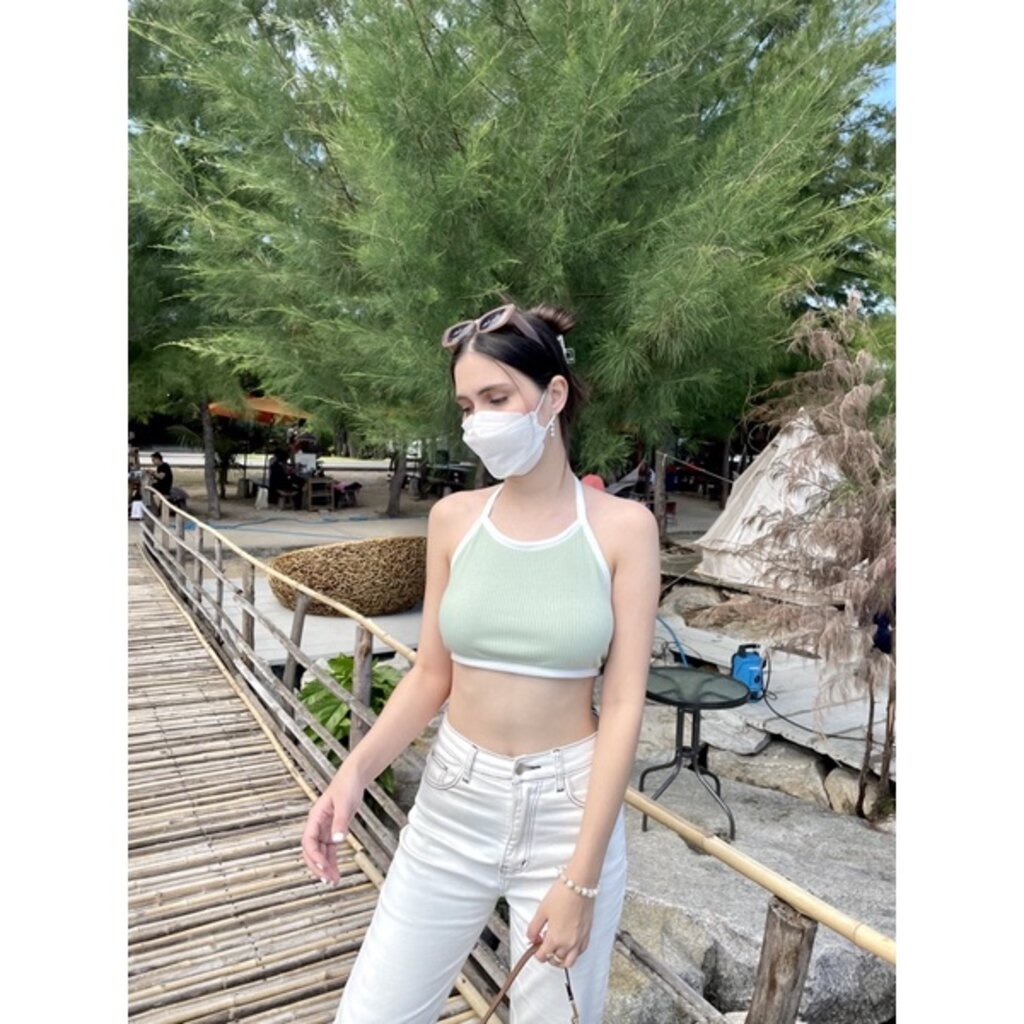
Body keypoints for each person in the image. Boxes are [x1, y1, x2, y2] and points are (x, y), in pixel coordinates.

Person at [302, 301, 660, 1024]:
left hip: (567, 812)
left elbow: (624, 704)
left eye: (497, 398)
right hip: (453, 801)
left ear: (553, 395)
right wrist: (354, 771)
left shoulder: (625, 529)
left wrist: (582, 878)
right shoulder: (454, 520)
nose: (478, 421)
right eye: (467, 406)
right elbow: (432, 674)